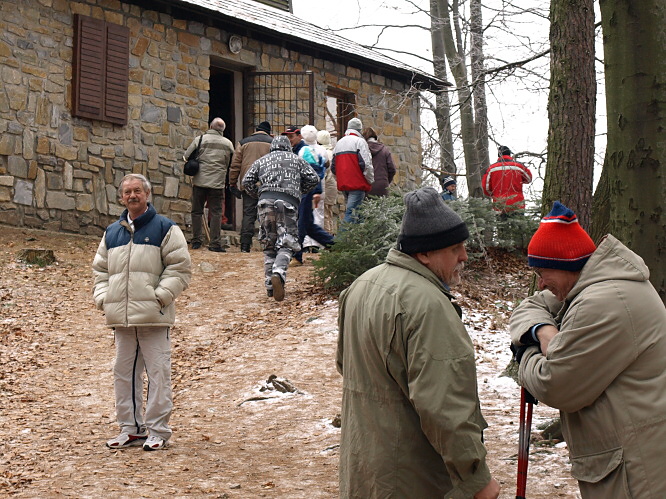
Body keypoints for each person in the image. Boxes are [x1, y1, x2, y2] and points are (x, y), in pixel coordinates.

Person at [336, 186, 500, 498]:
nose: (464, 256)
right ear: (423, 253)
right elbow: (445, 405)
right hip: (412, 475)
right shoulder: (428, 305)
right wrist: (476, 478)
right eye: (454, 249)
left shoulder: (361, 286)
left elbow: (346, 365)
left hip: (363, 468)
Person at [510, 201, 666, 498]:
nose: (541, 283)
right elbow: (530, 305)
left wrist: (525, 353)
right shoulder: (594, 286)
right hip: (631, 458)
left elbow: (555, 384)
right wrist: (542, 332)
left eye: (543, 272)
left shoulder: (604, 302)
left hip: (637, 469)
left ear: (568, 265)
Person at [92, 173, 192, 451]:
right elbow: (100, 271)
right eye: (127, 192)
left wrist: (159, 297)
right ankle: (130, 429)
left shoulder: (165, 228)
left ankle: (158, 430)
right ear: (122, 197)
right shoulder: (112, 232)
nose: (132, 196)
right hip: (122, 321)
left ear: (147, 194)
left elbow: (179, 268)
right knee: (123, 374)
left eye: (137, 191)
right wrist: (104, 298)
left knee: (158, 374)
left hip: (153, 318)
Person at [242, 136, 319, 301]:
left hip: (265, 203)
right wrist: (298, 192)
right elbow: (314, 179)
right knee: (287, 242)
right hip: (287, 203)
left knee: (269, 245)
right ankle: (278, 272)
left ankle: (270, 286)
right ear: (288, 147)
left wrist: (259, 195)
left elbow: (246, 181)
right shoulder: (296, 160)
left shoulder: (262, 160)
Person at [283, 125, 335, 265]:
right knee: (309, 225)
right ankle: (334, 245)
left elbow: (314, 172)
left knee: (300, 223)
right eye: (287, 137)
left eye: (291, 136)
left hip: (307, 191)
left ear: (300, 136)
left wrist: (316, 191)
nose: (289, 140)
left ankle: (296, 256)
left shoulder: (304, 151)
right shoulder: (296, 150)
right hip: (301, 191)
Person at [183, 117, 235, 252]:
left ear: (211, 127)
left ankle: (196, 241)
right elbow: (231, 162)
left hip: (200, 181)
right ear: (223, 130)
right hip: (217, 183)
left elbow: (186, 156)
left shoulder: (200, 139)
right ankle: (215, 243)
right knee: (217, 212)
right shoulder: (228, 144)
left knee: (197, 211)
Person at [228, 121, 273, 252]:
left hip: (248, 183)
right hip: (267, 183)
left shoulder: (243, 142)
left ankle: (245, 245)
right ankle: (268, 244)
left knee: (249, 213)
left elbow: (235, 165)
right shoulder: (272, 143)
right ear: (268, 131)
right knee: (268, 213)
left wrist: (232, 182)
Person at [331, 117, 374, 223]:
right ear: (359, 129)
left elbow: (333, 167)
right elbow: (366, 164)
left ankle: (358, 239)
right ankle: (341, 239)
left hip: (344, 184)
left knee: (358, 215)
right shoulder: (360, 142)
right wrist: (370, 180)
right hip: (357, 183)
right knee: (351, 214)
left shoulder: (339, 143)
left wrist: (339, 179)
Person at [482, 146, 532, 215]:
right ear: (509, 154)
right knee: (519, 225)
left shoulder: (491, 169)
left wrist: (494, 195)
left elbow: (486, 188)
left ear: (499, 155)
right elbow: (528, 179)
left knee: (501, 225)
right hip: (517, 205)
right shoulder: (518, 166)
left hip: (499, 205)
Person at [316, 129, 339, 234]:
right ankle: (331, 235)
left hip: (325, 186)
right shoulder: (333, 153)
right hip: (333, 186)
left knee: (324, 214)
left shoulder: (321, 153)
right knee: (329, 213)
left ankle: (327, 239)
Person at [362, 126, 396, 197]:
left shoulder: (362, 150)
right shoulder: (384, 150)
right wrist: (386, 181)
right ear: (375, 137)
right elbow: (392, 169)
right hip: (382, 186)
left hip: (367, 186)